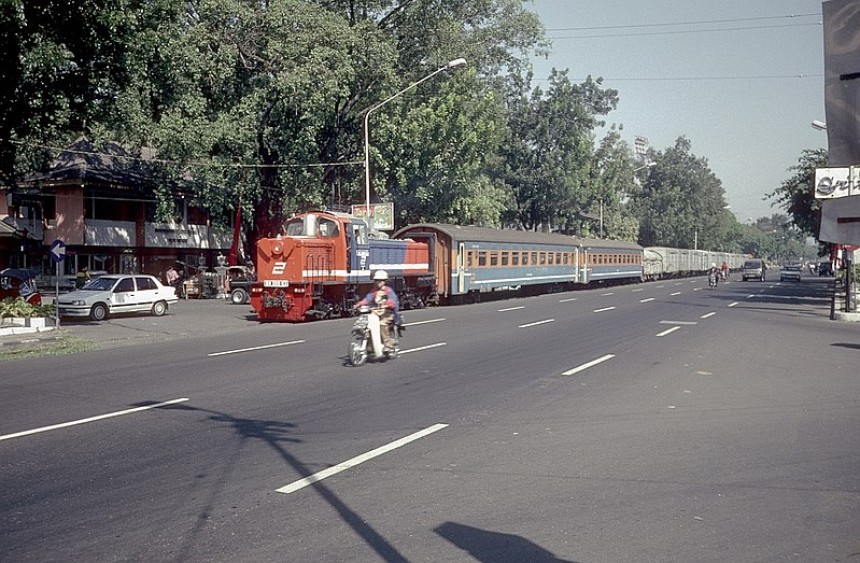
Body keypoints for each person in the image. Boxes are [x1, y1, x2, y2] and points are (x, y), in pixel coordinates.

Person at [355, 270, 400, 355]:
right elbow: (368, 298)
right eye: (377, 280)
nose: (378, 282)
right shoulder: (374, 291)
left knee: (382, 324)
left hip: (387, 313)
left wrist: (387, 304)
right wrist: (359, 304)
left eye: (381, 280)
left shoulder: (388, 291)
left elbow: (393, 301)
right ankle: (370, 346)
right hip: (376, 312)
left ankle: (388, 345)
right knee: (367, 324)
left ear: (384, 281)